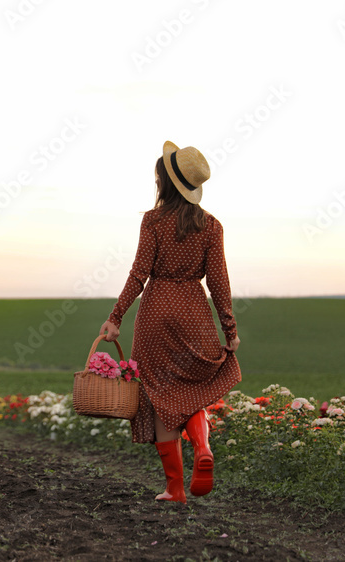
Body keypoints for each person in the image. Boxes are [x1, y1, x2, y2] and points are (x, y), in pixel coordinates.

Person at [98, 141, 241, 504]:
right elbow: (219, 282)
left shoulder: (153, 220)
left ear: (164, 181)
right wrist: (230, 330)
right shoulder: (212, 226)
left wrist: (115, 318)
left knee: (161, 397)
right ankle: (203, 446)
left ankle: (175, 488)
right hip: (194, 312)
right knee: (193, 389)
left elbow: (138, 274)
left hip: (156, 315)